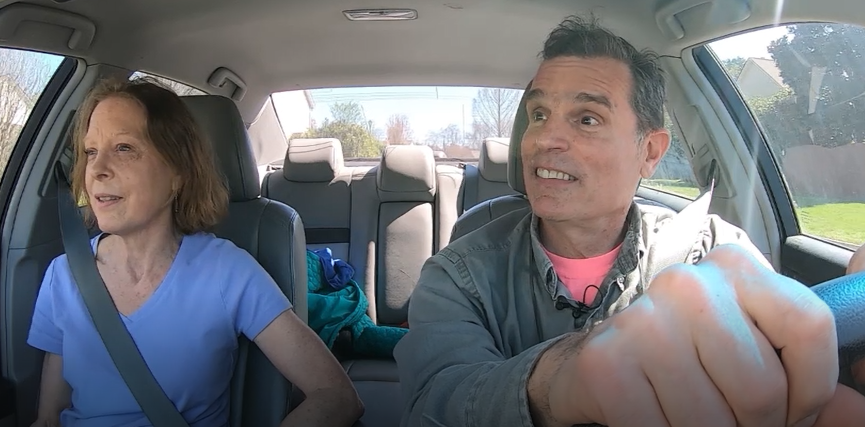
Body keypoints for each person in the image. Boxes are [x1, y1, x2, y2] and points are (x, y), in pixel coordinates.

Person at [394, 15, 865, 427]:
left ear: (650, 152)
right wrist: (561, 380)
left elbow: (796, 390)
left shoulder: (712, 249)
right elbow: (432, 405)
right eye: (538, 114)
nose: (544, 139)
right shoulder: (456, 274)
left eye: (587, 119)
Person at [27, 79, 363, 427]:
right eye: (91, 152)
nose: (97, 170)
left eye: (124, 148)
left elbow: (337, 395)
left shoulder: (228, 272)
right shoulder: (64, 274)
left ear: (177, 173)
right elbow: (49, 417)